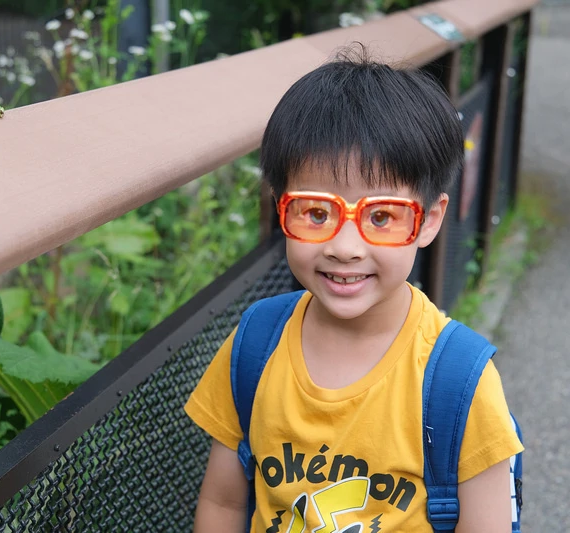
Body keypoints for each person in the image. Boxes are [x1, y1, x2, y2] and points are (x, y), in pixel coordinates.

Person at [184, 47, 523, 533]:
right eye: (316, 213)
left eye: (381, 217)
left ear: (429, 220)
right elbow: (221, 503)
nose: (345, 247)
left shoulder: (458, 381)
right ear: (281, 208)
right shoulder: (256, 344)